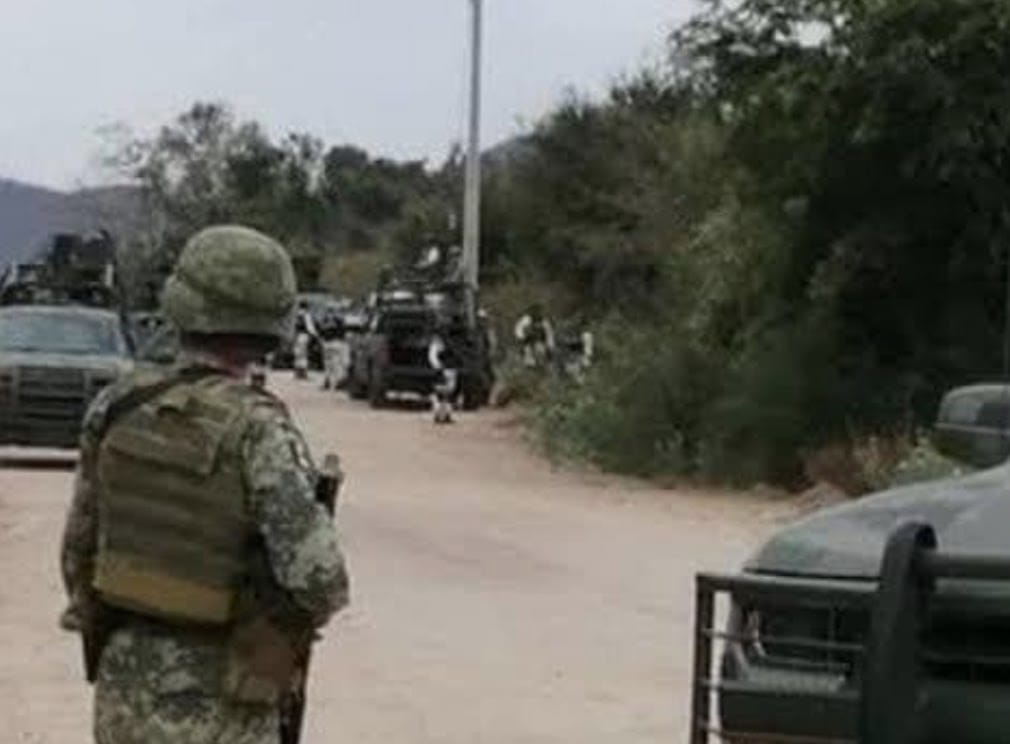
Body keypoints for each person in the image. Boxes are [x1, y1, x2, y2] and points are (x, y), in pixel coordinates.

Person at [60, 225, 350, 744]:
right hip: (226, 698)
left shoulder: (117, 405)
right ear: (270, 322)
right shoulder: (259, 427)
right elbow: (319, 580)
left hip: (124, 688)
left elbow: (78, 550)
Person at [427, 322, 458, 425]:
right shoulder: (440, 343)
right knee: (442, 395)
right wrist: (439, 368)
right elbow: (433, 357)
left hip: (446, 370)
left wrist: (438, 367)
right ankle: (440, 415)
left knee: (445, 395)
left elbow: (432, 357)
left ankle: (443, 415)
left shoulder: (439, 343)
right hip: (445, 370)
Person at [514, 304, 555, 368]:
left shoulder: (544, 322)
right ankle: (528, 362)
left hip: (540, 340)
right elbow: (518, 329)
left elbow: (549, 334)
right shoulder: (526, 320)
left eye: (538, 313)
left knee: (541, 349)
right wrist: (522, 338)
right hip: (528, 339)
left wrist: (550, 346)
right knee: (527, 349)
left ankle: (541, 363)